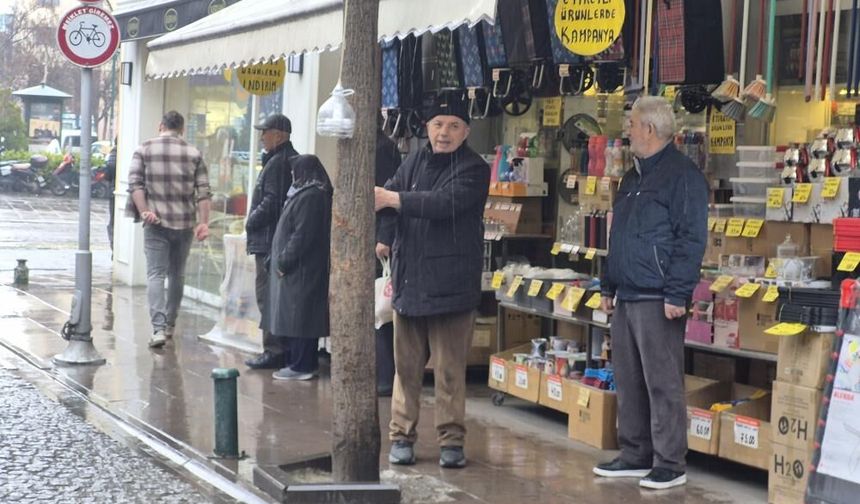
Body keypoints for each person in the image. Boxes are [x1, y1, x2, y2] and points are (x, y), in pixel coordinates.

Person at [594, 96, 708, 490]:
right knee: (627, 378)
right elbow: (618, 234)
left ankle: (670, 461)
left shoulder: (683, 176)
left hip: (660, 297)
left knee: (662, 382)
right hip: (627, 293)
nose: (627, 131)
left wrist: (678, 293)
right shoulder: (632, 177)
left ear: (650, 129)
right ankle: (635, 453)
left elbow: (691, 239)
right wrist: (608, 283)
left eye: (632, 124)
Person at [375, 98, 490, 469]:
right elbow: (388, 199)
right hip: (410, 282)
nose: (444, 133)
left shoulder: (474, 169)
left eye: (454, 125)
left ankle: (451, 441)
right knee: (405, 370)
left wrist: (394, 199)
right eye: (438, 124)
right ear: (427, 127)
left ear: (466, 132)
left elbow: (445, 204)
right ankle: (401, 436)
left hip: (452, 288)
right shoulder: (413, 160)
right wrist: (386, 236)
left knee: (450, 370)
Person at [127, 111, 211, 348]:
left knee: (156, 274)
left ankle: (158, 329)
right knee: (177, 274)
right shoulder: (194, 154)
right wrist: (204, 222)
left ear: (160, 125)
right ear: (182, 129)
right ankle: (171, 324)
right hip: (184, 223)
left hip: (156, 223)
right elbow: (204, 191)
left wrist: (144, 210)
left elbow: (135, 185)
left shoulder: (143, 149)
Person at [264, 155, 332, 381]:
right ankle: (297, 363)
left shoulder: (312, 196)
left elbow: (302, 235)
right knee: (295, 317)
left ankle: (302, 365)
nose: (293, 176)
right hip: (299, 269)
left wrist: (284, 261)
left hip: (303, 270)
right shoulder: (306, 194)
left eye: (295, 171)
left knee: (301, 317)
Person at [244, 114, 299, 369]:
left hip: (269, 241)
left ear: (279, 134)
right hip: (273, 240)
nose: (262, 137)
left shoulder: (279, 162)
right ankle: (279, 349)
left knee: (267, 296)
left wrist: (251, 220)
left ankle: (274, 349)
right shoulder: (282, 159)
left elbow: (271, 201)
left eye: (265, 132)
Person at [375, 128, 402, 397]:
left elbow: (387, 198)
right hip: (378, 243)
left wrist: (384, 236)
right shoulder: (383, 148)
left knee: (383, 315)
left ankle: (385, 377)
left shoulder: (382, 150)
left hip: (382, 247)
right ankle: (383, 375)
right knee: (380, 314)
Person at [105, 139, 117, 252]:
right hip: (118, 192)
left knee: (113, 221)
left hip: (113, 192)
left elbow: (107, 175)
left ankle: (114, 248)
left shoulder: (113, 154)